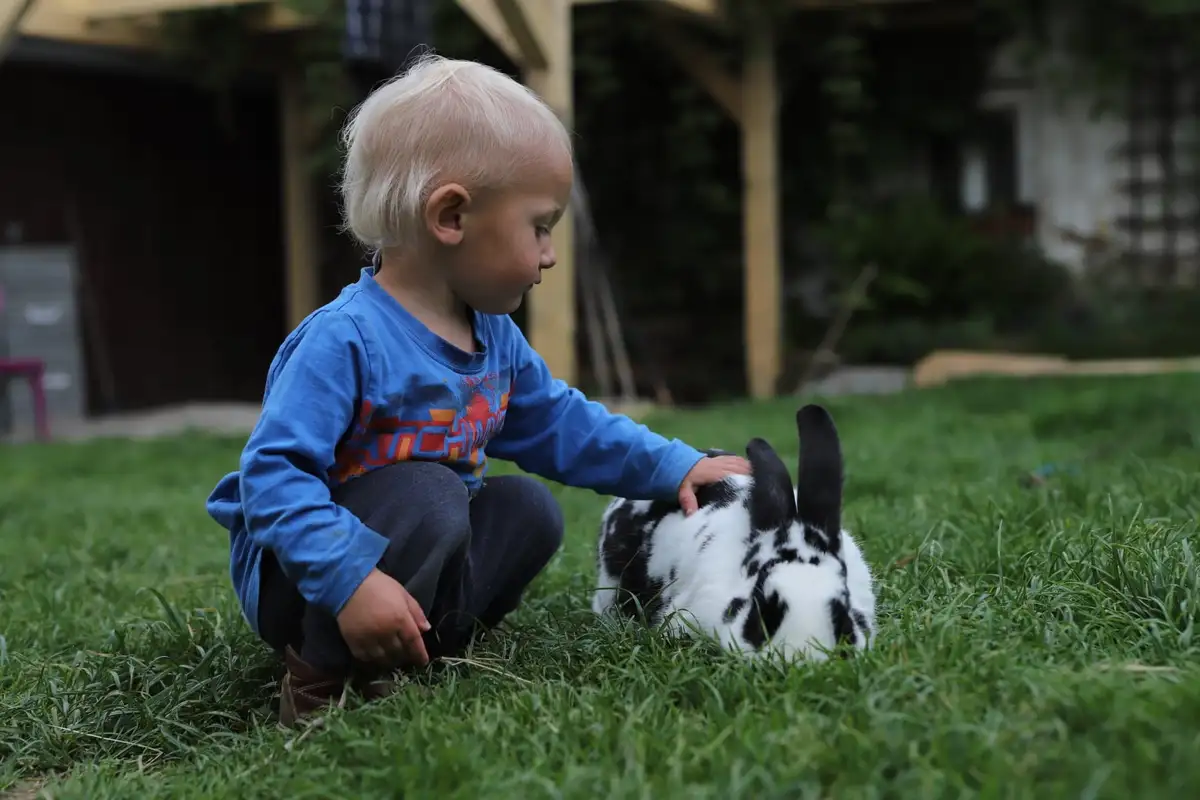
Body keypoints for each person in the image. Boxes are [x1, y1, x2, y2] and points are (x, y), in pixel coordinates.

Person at [205, 54, 751, 728]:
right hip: (308, 578)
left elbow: (561, 424)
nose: (550, 254)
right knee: (430, 493)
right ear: (452, 216)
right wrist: (349, 582)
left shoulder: (493, 336)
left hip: (420, 543)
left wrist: (674, 466)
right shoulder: (345, 341)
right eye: (540, 227)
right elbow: (271, 478)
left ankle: (418, 644)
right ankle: (321, 675)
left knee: (527, 509)